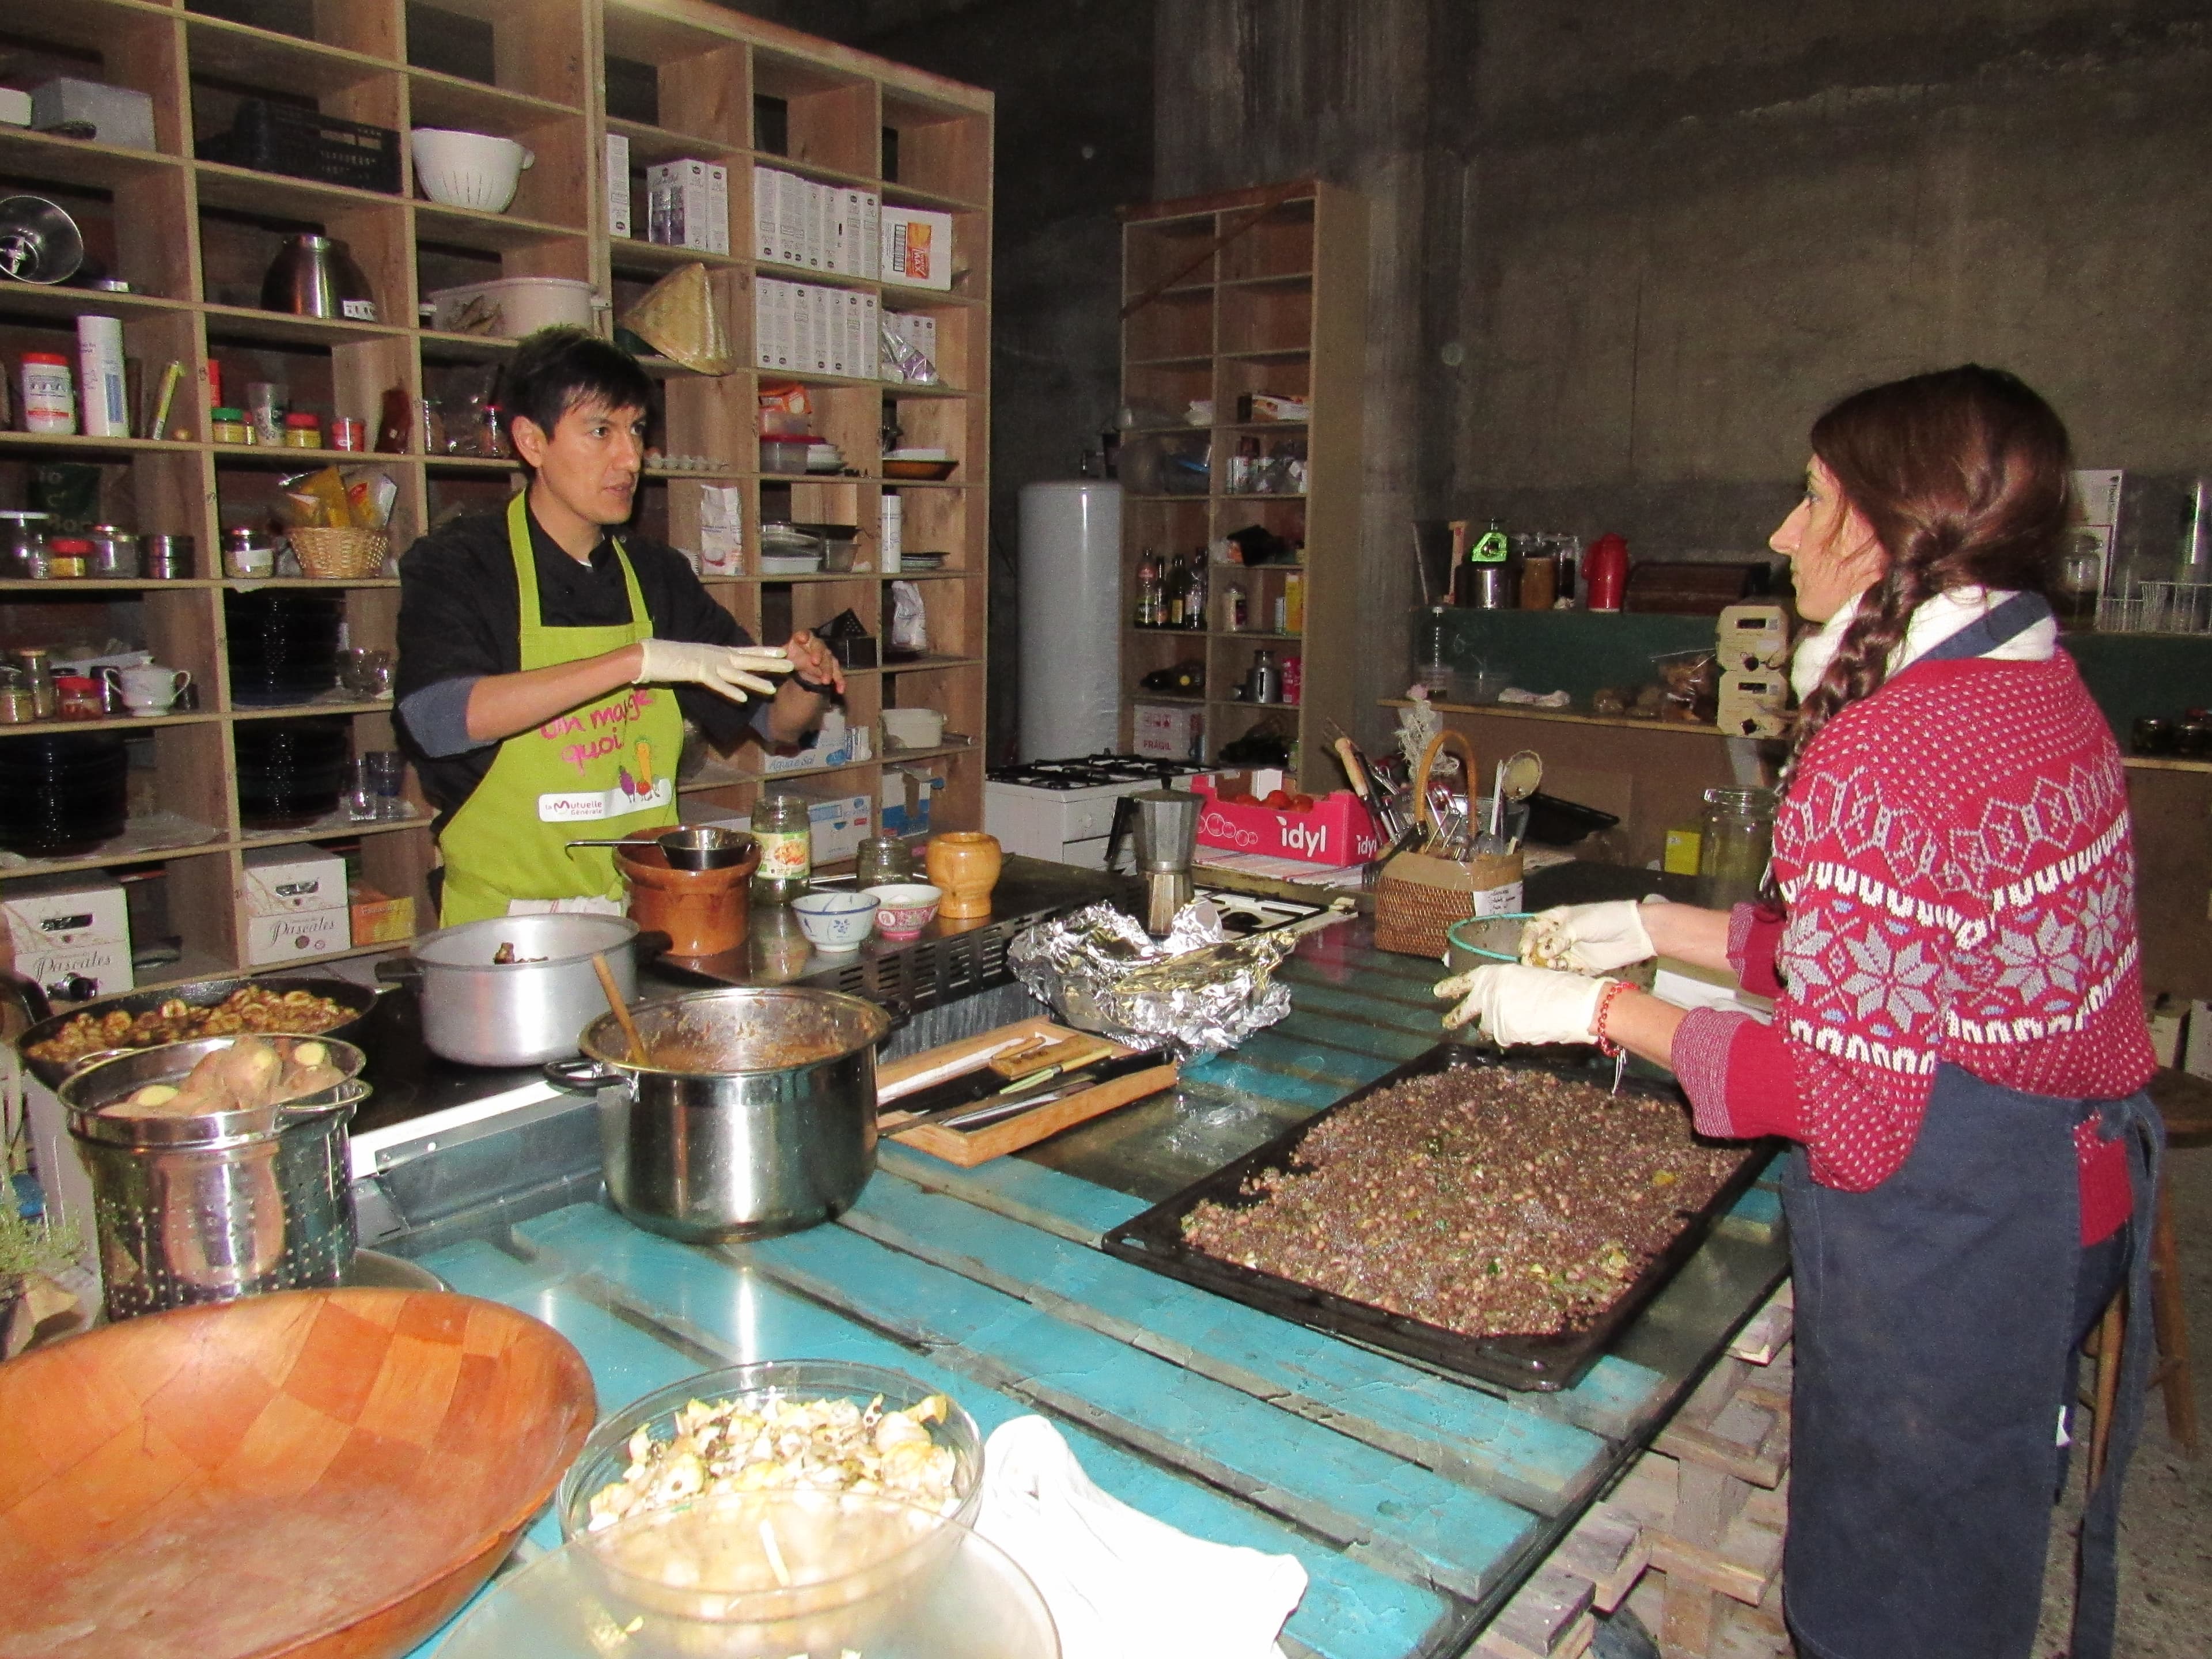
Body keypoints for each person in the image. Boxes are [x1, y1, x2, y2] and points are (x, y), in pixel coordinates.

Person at [1434, 366, 2158, 1659]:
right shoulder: (2037, 687)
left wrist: (1602, 1012)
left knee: (1890, 1614)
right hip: (2063, 1194)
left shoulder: (1891, 746)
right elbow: (1915, 958)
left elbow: (1845, 1103)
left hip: (1958, 1240)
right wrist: (1670, 927)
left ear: (1895, 527)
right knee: (1965, 1578)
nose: (1781, 533)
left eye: (1814, 499)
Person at [396, 327, 847, 924]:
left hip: (644, 914)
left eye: (636, 430)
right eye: (601, 431)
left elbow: (775, 724)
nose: (631, 458)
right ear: (531, 441)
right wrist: (635, 661)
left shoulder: (657, 574)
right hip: (508, 929)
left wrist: (806, 681)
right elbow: (436, 722)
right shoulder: (462, 563)